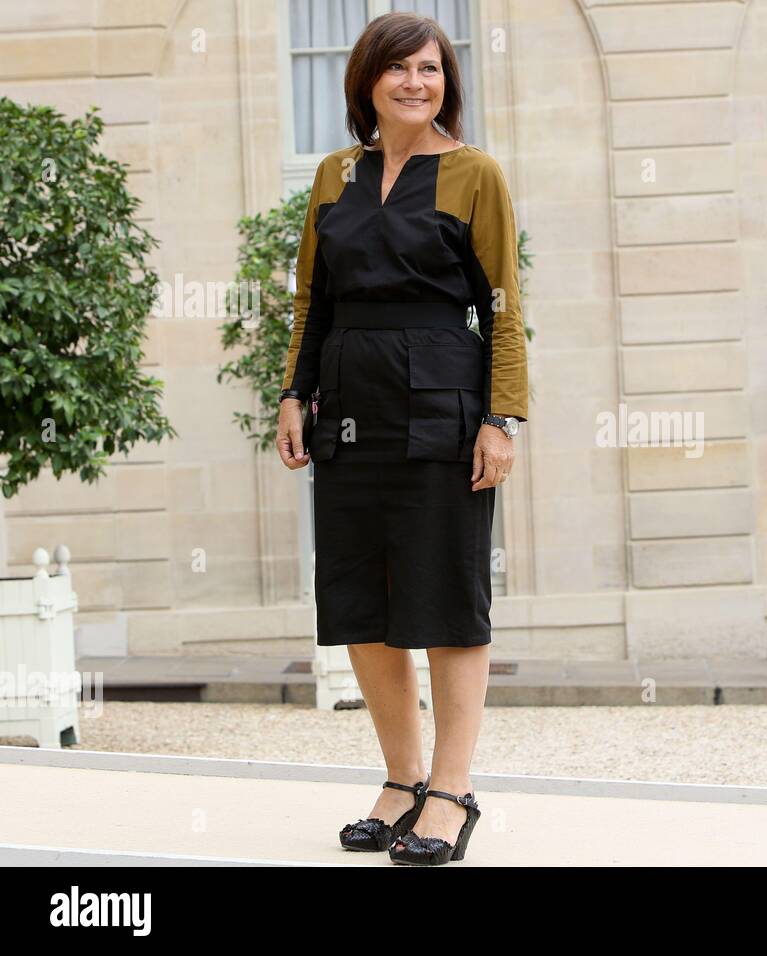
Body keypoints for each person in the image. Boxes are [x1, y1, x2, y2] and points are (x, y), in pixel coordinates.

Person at [274, 10, 528, 866]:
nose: (416, 82)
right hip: (347, 403)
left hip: (444, 404)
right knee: (360, 600)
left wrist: (503, 417)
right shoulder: (334, 175)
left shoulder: (474, 173)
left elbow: (503, 308)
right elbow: (315, 300)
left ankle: (452, 794)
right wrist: (291, 393)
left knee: (448, 599)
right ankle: (400, 779)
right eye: (399, 69)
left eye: (431, 68)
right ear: (368, 82)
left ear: (446, 82)